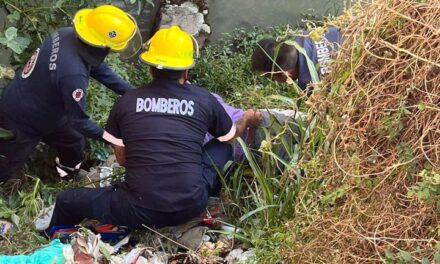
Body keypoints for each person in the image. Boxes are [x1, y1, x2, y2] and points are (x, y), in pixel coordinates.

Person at [47, 25, 261, 230]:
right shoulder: (204, 99)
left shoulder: (126, 102)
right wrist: (247, 119)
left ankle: (55, 238)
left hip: (137, 209)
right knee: (222, 146)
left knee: (67, 201)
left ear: (150, 68)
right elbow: (230, 136)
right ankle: (210, 193)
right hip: (191, 205)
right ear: (186, 70)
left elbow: (122, 159)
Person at [0, 5, 141, 183]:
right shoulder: (73, 75)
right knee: (8, 164)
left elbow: (99, 69)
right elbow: (79, 121)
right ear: (100, 45)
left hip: (40, 100)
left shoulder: (67, 34)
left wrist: (134, 93)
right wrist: (115, 140)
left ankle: (66, 176)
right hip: (23, 117)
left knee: (73, 142)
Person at [251, 27, 343, 90]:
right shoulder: (307, 34)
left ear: (286, 74)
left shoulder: (309, 84)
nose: (276, 81)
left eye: (273, 78)